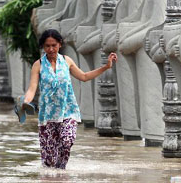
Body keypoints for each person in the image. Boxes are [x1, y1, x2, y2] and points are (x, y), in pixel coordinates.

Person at [23, 29, 117, 169]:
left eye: (54, 45)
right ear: (43, 46)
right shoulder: (39, 65)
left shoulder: (67, 61)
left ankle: (61, 172)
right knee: (49, 160)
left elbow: (84, 77)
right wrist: (25, 102)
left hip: (68, 111)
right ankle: (55, 181)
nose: (51, 49)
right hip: (48, 116)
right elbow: (32, 88)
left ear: (60, 44)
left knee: (67, 141)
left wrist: (106, 67)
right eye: (47, 46)